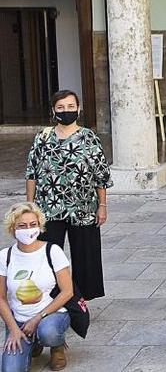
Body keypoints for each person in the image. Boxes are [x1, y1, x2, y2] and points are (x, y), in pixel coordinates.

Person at [25, 90, 112, 301]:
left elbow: (100, 175)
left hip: (83, 207)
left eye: (71, 107)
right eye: (61, 107)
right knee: (48, 253)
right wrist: (30, 208)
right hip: (48, 207)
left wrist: (102, 205)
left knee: (85, 255)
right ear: (54, 110)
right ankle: (52, 296)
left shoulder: (89, 137)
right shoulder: (43, 137)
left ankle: (81, 299)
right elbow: (32, 173)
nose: (66, 111)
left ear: (78, 108)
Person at [0, 202, 74, 372]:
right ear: (13, 229)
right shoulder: (5, 256)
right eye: (22, 225)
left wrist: (37, 318)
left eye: (33, 224)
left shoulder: (52, 251)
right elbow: (1, 298)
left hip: (50, 313)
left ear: (40, 226)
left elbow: (67, 291)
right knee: (10, 369)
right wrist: (13, 329)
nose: (28, 229)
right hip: (19, 319)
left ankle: (56, 345)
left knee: (49, 332)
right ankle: (31, 340)